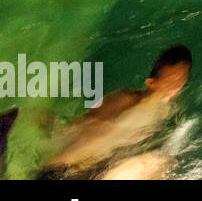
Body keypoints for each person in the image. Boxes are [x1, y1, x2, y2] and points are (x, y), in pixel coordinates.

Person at [36, 46, 193, 180]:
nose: (175, 84)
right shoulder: (123, 98)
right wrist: (58, 126)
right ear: (150, 82)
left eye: (180, 79)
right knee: (154, 163)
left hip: (96, 168)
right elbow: (85, 123)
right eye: (171, 79)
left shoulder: (165, 111)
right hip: (64, 170)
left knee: (160, 163)